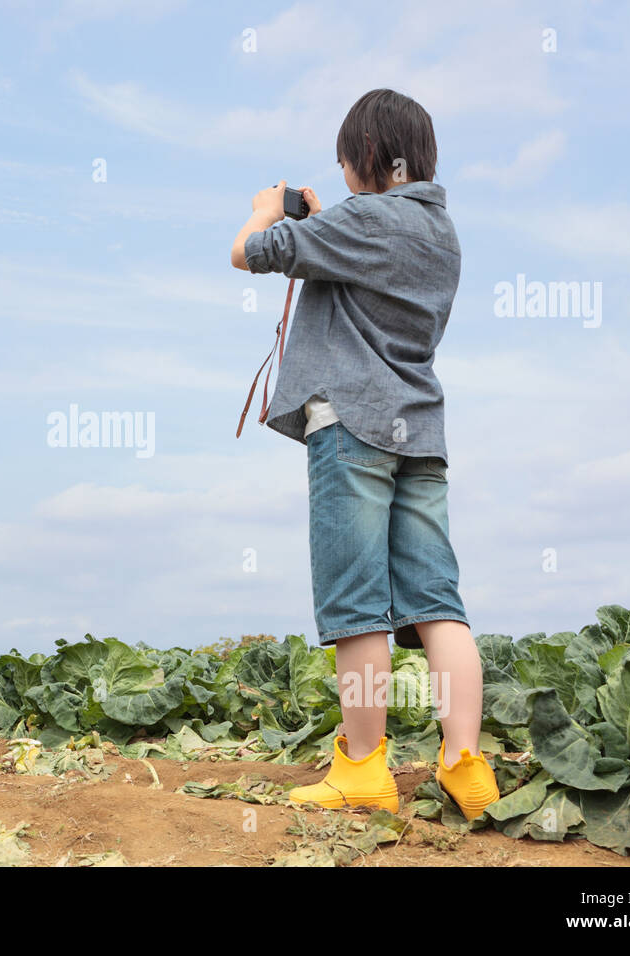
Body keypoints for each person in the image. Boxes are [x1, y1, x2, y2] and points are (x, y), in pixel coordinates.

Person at [230, 88, 499, 820]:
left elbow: (248, 253)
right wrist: (327, 222)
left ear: (369, 156)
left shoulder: (364, 218)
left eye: (348, 156)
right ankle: (464, 763)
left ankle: (361, 767)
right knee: (438, 602)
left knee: (358, 610)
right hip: (421, 433)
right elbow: (370, 268)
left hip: (351, 426)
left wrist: (264, 208)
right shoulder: (443, 234)